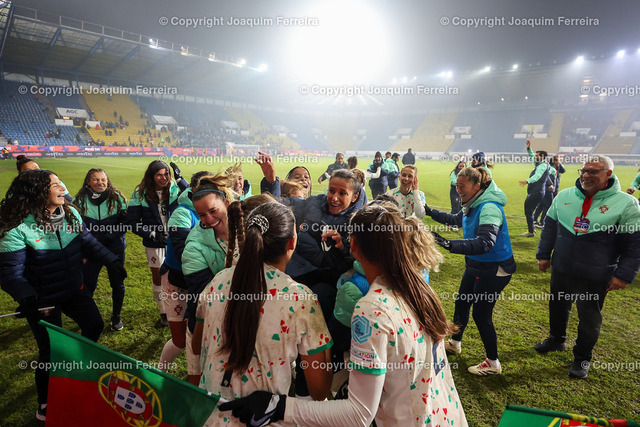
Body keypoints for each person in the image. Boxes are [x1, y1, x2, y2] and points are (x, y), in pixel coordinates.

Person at [220, 203, 467, 426]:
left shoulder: (372, 310)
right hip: (447, 416)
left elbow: (358, 414)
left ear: (353, 245)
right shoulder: (418, 286)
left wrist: (278, 407)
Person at [0, 170, 126, 421]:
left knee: (94, 325)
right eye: (55, 184)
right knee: (50, 351)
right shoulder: (16, 226)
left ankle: (73, 369)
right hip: (41, 299)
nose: (62, 188)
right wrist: (26, 297)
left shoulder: (70, 212)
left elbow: (88, 241)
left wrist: (111, 260)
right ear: (37, 192)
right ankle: (45, 404)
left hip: (74, 289)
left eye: (60, 183)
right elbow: (10, 272)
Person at [193, 202, 334, 425]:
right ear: (292, 242)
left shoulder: (218, 280)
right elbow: (319, 390)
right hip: (262, 420)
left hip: (208, 418)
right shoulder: (300, 299)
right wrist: (326, 347)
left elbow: (196, 345)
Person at [534, 155, 640, 379]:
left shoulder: (626, 204)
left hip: (595, 274)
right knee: (558, 306)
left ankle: (582, 358)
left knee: (589, 318)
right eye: (584, 170)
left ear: (608, 174)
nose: (586, 175)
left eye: (593, 171)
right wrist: (543, 255)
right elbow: (550, 228)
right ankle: (556, 339)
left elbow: (634, 245)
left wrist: (624, 274)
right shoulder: (564, 196)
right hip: (562, 267)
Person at [426, 166, 516, 375]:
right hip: (477, 264)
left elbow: (485, 243)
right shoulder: (473, 202)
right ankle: (455, 343)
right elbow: (455, 220)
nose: (458, 190)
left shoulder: (489, 207)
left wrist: (449, 244)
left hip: (495, 268)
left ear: (477, 185)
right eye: (457, 185)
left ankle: (493, 363)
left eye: (462, 186)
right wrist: (429, 211)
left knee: (481, 314)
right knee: (462, 302)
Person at [157, 171, 224, 373]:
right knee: (180, 341)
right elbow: (182, 252)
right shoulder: (181, 213)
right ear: (193, 189)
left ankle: (201, 374)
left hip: (200, 284)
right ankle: (161, 372)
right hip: (177, 282)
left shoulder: (220, 212)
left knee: (202, 336)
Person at [125, 160, 188, 327]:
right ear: (151, 176)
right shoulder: (139, 194)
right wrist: (152, 234)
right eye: (159, 175)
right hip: (154, 242)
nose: (164, 178)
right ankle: (164, 313)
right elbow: (131, 222)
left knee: (181, 273)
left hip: (176, 239)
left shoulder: (175, 188)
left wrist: (180, 179)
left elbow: (193, 195)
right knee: (159, 277)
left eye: (166, 174)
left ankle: (183, 307)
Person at [73, 168, 128, 331]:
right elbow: (75, 227)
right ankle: (88, 316)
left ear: (107, 181)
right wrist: (89, 245)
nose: (100, 182)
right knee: (88, 285)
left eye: (103, 179)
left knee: (117, 284)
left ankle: (116, 316)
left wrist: (109, 237)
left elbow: (126, 222)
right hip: (91, 251)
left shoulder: (117, 198)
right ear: (88, 181)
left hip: (115, 249)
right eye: (96, 179)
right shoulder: (79, 200)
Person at [519, 140, 550, 237]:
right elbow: (532, 156)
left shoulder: (542, 166)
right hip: (537, 192)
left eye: (537, 156)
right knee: (530, 210)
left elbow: (537, 176)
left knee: (528, 211)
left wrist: (527, 181)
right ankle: (532, 229)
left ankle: (531, 231)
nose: (535, 157)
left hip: (536, 192)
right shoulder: (540, 164)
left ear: (542, 157)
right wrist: (529, 148)